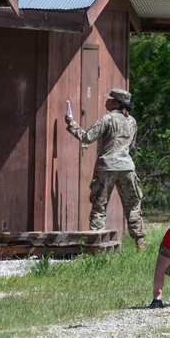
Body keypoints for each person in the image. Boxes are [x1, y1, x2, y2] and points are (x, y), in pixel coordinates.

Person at [65, 88, 147, 250]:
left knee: (99, 205)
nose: (106, 101)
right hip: (127, 167)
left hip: (107, 167)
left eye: (109, 99)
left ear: (116, 103)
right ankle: (140, 244)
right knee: (133, 206)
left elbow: (87, 137)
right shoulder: (132, 122)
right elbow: (132, 145)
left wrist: (71, 123)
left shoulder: (107, 119)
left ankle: (97, 245)